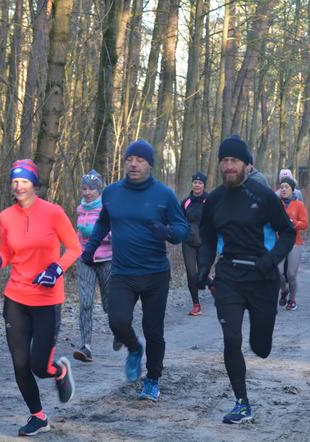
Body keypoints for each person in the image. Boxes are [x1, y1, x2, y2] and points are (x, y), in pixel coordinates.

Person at [197, 136, 296, 424]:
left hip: (262, 276)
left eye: (234, 161)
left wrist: (270, 260)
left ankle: (261, 340)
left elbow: (288, 233)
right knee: (231, 338)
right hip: (229, 275)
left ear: (247, 165)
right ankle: (242, 403)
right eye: (224, 161)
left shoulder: (263, 197)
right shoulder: (214, 199)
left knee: (261, 347)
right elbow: (207, 236)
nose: (228, 166)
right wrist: (204, 266)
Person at [81, 140, 189, 402]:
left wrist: (168, 232)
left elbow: (183, 229)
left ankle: (152, 380)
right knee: (117, 321)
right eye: (130, 158)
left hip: (155, 275)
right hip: (123, 273)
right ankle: (133, 348)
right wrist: (91, 248)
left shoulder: (164, 195)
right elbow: (104, 221)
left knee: (154, 330)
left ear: (150, 164)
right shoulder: (112, 193)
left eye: (140, 159)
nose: (133, 163)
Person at [0, 159, 80, 436]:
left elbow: (73, 248)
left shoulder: (54, 213)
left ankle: (58, 372)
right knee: (20, 363)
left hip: (47, 300)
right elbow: (7, 253)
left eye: (24, 181)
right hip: (15, 297)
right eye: (14, 181)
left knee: (39, 366)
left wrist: (56, 269)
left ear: (34, 184)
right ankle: (38, 416)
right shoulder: (5, 216)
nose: (18, 185)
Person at [73, 170, 113, 363]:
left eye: (92, 189)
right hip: (85, 260)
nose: (87, 192)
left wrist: (97, 235)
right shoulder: (80, 209)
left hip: (106, 259)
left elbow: (115, 235)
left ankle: (120, 332)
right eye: (84, 188)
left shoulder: (107, 208)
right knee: (86, 302)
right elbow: (77, 234)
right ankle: (86, 346)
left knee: (108, 303)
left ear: (99, 190)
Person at [277, 176, 308, 310]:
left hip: (295, 242)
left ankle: (292, 300)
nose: (283, 190)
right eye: (282, 187)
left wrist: (293, 223)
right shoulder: (276, 203)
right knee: (278, 272)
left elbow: (305, 224)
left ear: (292, 190)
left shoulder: (299, 205)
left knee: (291, 274)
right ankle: (284, 290)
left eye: (286, 187)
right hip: (279, 242)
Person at [182, 172, 209, 316]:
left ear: (204, 185)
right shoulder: (186, 202)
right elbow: (179, 220)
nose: (197, 185)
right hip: (188, 242)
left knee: (202, 273)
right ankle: (196, 304)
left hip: (205, 242)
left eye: (200, 183)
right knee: (191, 274)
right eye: (195, 182)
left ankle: (210, 281)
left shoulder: (209, 200)